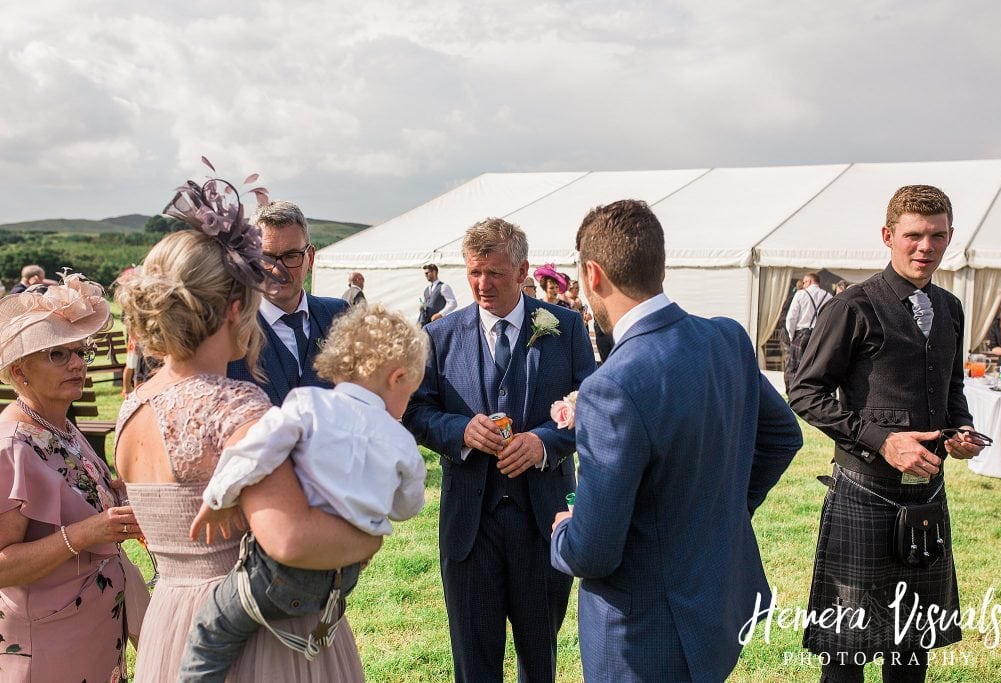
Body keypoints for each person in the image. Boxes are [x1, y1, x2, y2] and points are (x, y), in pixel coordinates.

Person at [115, 169, 379, 682]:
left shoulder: (133, 408)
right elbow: (292, 541)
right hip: (261, 635)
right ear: (236, 307)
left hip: (171, 620)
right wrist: (367, 535)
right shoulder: (236, 406)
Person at [549, 200, 802, 682]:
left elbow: (593, 552)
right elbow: (783, 437)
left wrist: (564, 529)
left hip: (642, 635)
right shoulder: (726, 337)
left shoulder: (613, 386)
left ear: (592, 275)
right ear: (660, 264)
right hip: (714, 603)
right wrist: (718, 513)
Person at [789, 185, 988, 682]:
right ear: (888, 236)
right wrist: (882, 440)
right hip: (864, 492)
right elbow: (806, 393)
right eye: (914, 236)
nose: (926, 247)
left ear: (950, 238)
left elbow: (951, 387)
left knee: (911, 649)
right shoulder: (853, 306)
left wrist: (958, 431)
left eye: (937, 236)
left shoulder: (950, 308)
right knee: (848, 650)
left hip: (926, 497)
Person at [180, 303, 427, 681]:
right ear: (397, 378)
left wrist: (218, 498)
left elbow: (255, 451)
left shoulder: (308, 405)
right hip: (342, 577)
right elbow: (407, 507)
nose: (405, 404)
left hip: (281, 574)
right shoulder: (401, 441)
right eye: (410, 393)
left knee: (211, 634)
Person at [404, 218, 596, 683]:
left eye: (493, 273)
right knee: (473, 662)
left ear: (523, 270)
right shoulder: (441, 335)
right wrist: (460, 431)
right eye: (473, 272)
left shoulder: (565, 328)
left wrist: (543, 444)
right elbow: (416, 412)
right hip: (470, 525)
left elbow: (594, 411)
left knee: (539, 659)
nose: (482, 285)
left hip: (543, 520)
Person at [0, 273, 149, 682]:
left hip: (94, 631)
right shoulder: (12, 444)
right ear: (18, 372)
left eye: (80, 351)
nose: (78, 364)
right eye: (57, 355)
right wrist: (86, 532)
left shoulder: (60, 425)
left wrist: (114, 493)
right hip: (47, 643)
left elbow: (71, 493)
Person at [227, 200, 349, 406]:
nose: (278, 270)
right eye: (266, 257)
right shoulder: (230, 329)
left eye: (291, 256)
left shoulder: (340, 316)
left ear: (310, 258)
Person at [783, 271, 833, 392]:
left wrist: (791, 336)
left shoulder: (801, 294)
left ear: (809, 281)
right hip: (819, 335)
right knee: (815, 368)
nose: (803, 284)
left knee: (795, 368)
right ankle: (812, 394)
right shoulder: (828, 296)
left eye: (804, 282)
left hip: (802, 334)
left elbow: (791, 317)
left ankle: (794, 395)